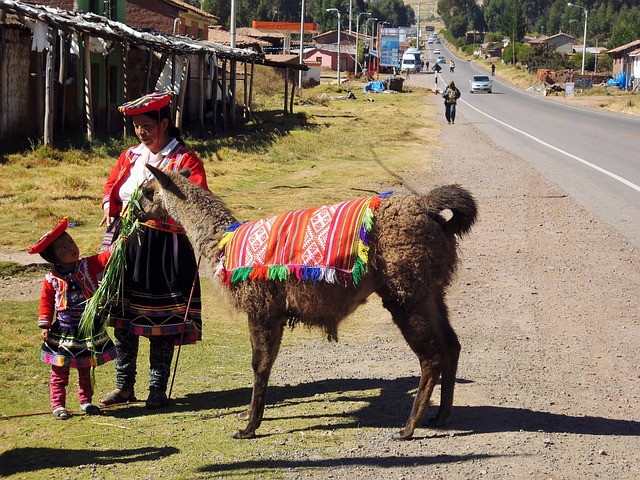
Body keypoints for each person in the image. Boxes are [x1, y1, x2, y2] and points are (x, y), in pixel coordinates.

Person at [98, 91, 210, 410]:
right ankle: (124, 387)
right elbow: (112, 188)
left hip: (165, 248)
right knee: (123, 318)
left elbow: (197, 197)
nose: (141, 133)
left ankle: (157, 389)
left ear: (164, 122)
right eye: (136, 127)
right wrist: (110, 204)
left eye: (147, 126)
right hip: (127, 244)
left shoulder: (184, 161)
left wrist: (165, 210)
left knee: (159, 322)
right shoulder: (131, 157)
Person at [29, 217, 118, 420]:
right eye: (63, 249)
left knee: (85, 367)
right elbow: (46, 302)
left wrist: (119, 243)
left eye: (70, 242)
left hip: (87, 329)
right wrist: (44, 325)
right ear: (55, 259)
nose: (71, 248)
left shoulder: (87, 265)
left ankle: (85, 401)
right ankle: (58, 404)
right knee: (60, 369)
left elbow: (106, 257)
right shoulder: (51, 279)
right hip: (64, 329)